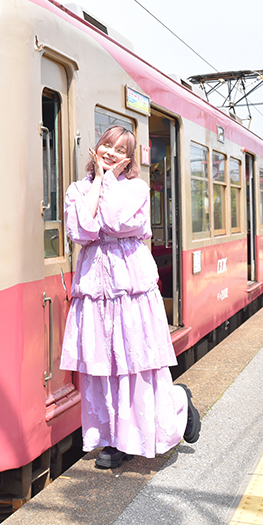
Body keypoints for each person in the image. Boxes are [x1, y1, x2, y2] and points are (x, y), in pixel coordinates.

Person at [60, 125, 200, 469]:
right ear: (96, 148)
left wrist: (107, 180)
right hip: (95, 287)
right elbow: (81, 231)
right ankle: (112, 439)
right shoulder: (77, 189)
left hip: (130, 286)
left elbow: (116, 221)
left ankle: (176, 405)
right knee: (102, 365)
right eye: (107, 145)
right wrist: (97, 181)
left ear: (129, 159)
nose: (111, 153)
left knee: (133, 362)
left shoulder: (136, 188)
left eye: (121, 150)